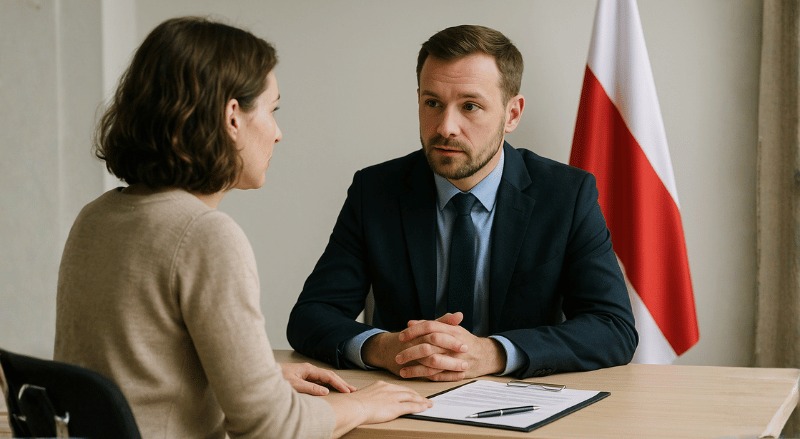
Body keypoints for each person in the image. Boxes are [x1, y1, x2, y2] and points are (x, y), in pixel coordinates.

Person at [53, 16, 430, 439]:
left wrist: (261, 376)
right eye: (272, 110)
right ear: (233, 117)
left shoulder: (96, 217)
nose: (278, 133)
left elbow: (138, 370)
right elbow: (269, 427)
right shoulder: (205, 235)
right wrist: (363, 403)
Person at [287, 24, 638, 381]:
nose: (445, 127)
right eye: (433, 103)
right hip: (406, 398)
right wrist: (384, 348)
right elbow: (311, 315)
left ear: (512, 114)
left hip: (523, 405)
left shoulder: (566, 195)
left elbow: (612, 327)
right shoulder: (376, 191)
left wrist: (493, 353)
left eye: (470, 106)